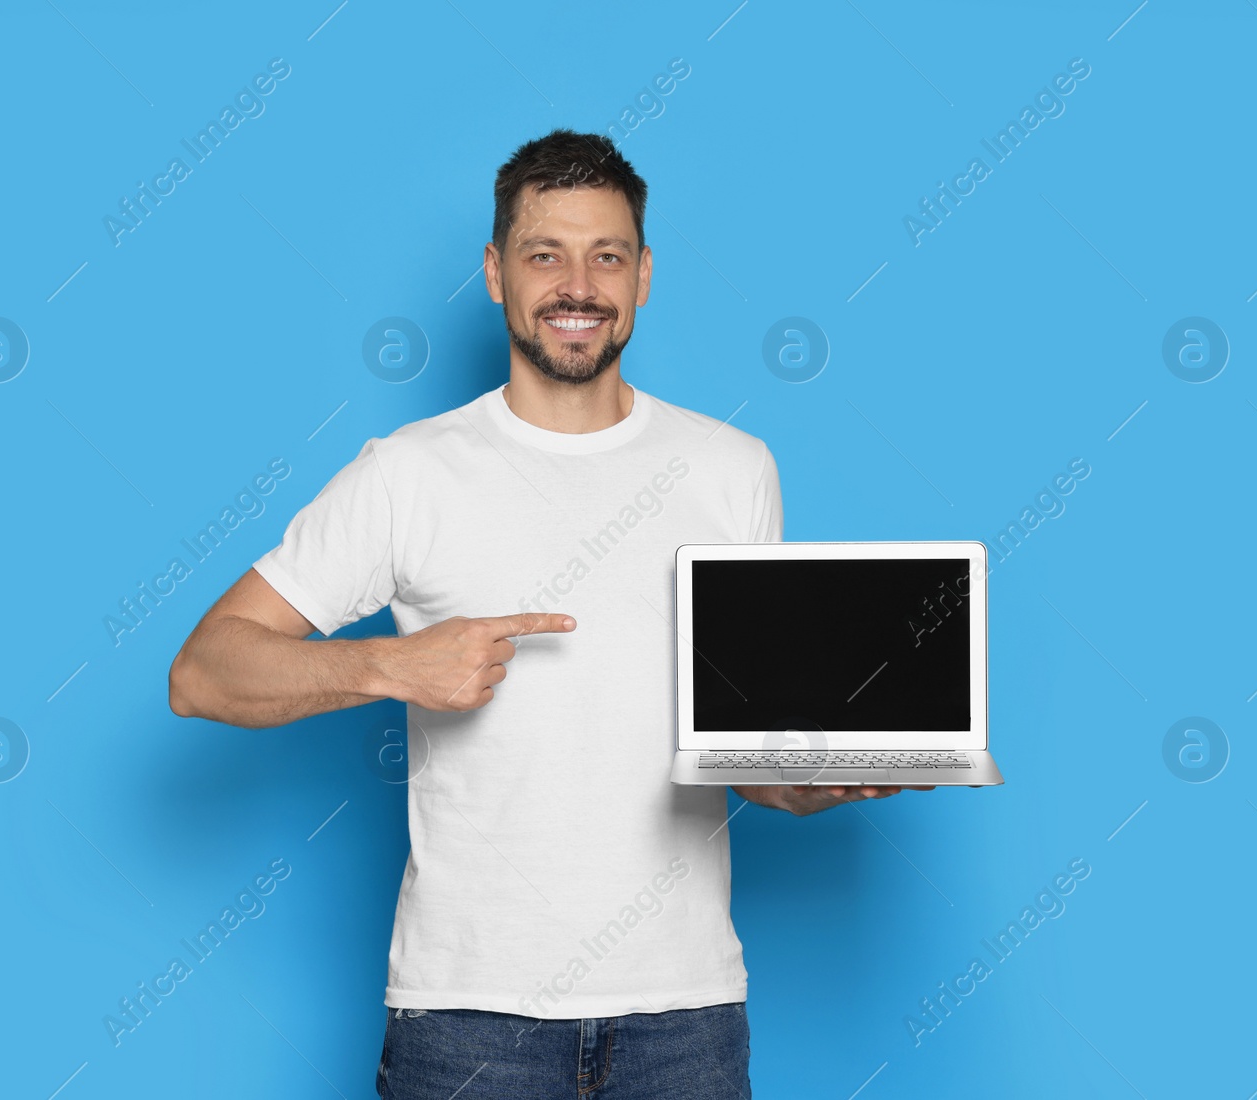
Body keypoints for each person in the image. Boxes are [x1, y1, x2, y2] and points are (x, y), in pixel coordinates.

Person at [169, 129, 923, 1099]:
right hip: (467, 1015)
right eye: (544, 254)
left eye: (606, 255)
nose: (578, 285)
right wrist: (388, 666)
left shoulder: (733, 471)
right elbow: (205, 669)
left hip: (683, 1014)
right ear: (494, 272)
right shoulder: (407, 472)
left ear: (644, 274)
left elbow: (738, 749)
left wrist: (807, 783)